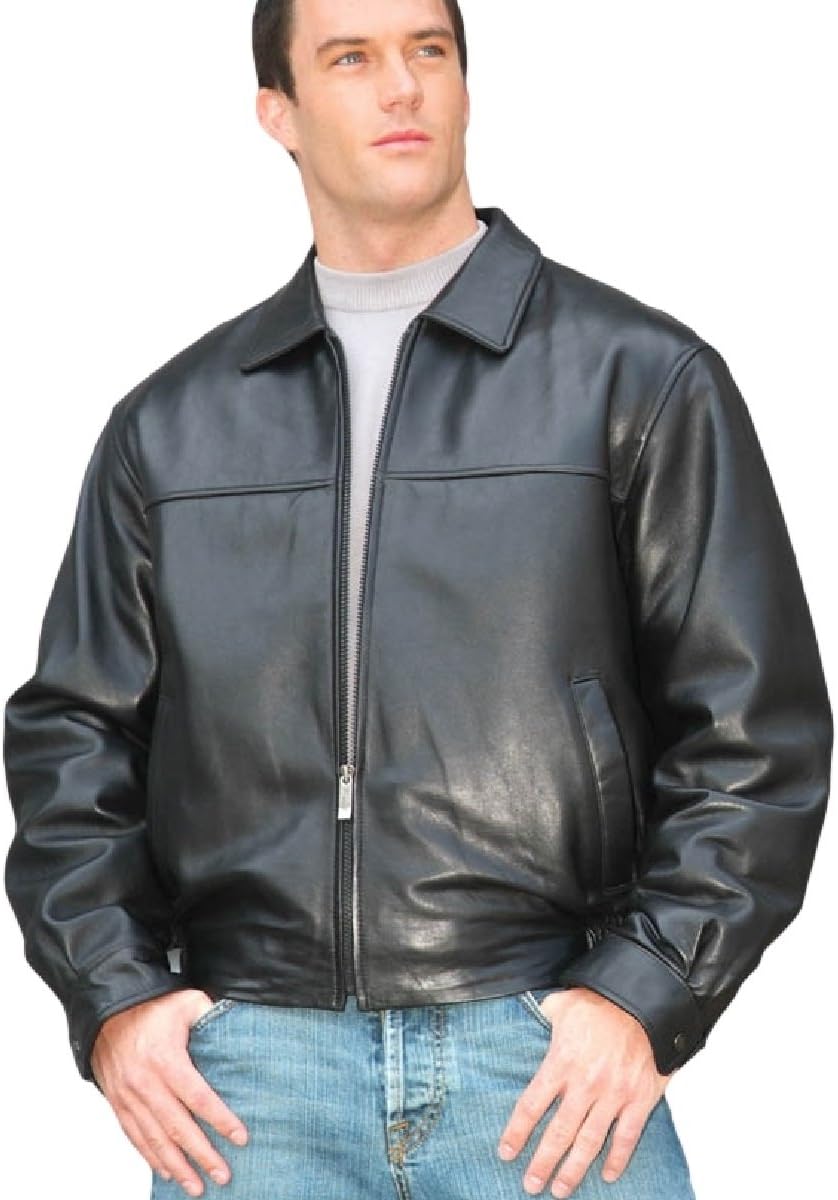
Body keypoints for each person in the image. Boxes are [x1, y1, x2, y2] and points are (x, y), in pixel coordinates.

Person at [3, 1, 832, 1198]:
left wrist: (641, 993)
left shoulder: (637, 380)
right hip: (255, 1080)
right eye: (351, 58)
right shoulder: (172, 428)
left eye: (428, 51)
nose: (402, 86)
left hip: (543, 1061)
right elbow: (73, 739)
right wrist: (117, 1000)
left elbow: (755, 733)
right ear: (277, 113)